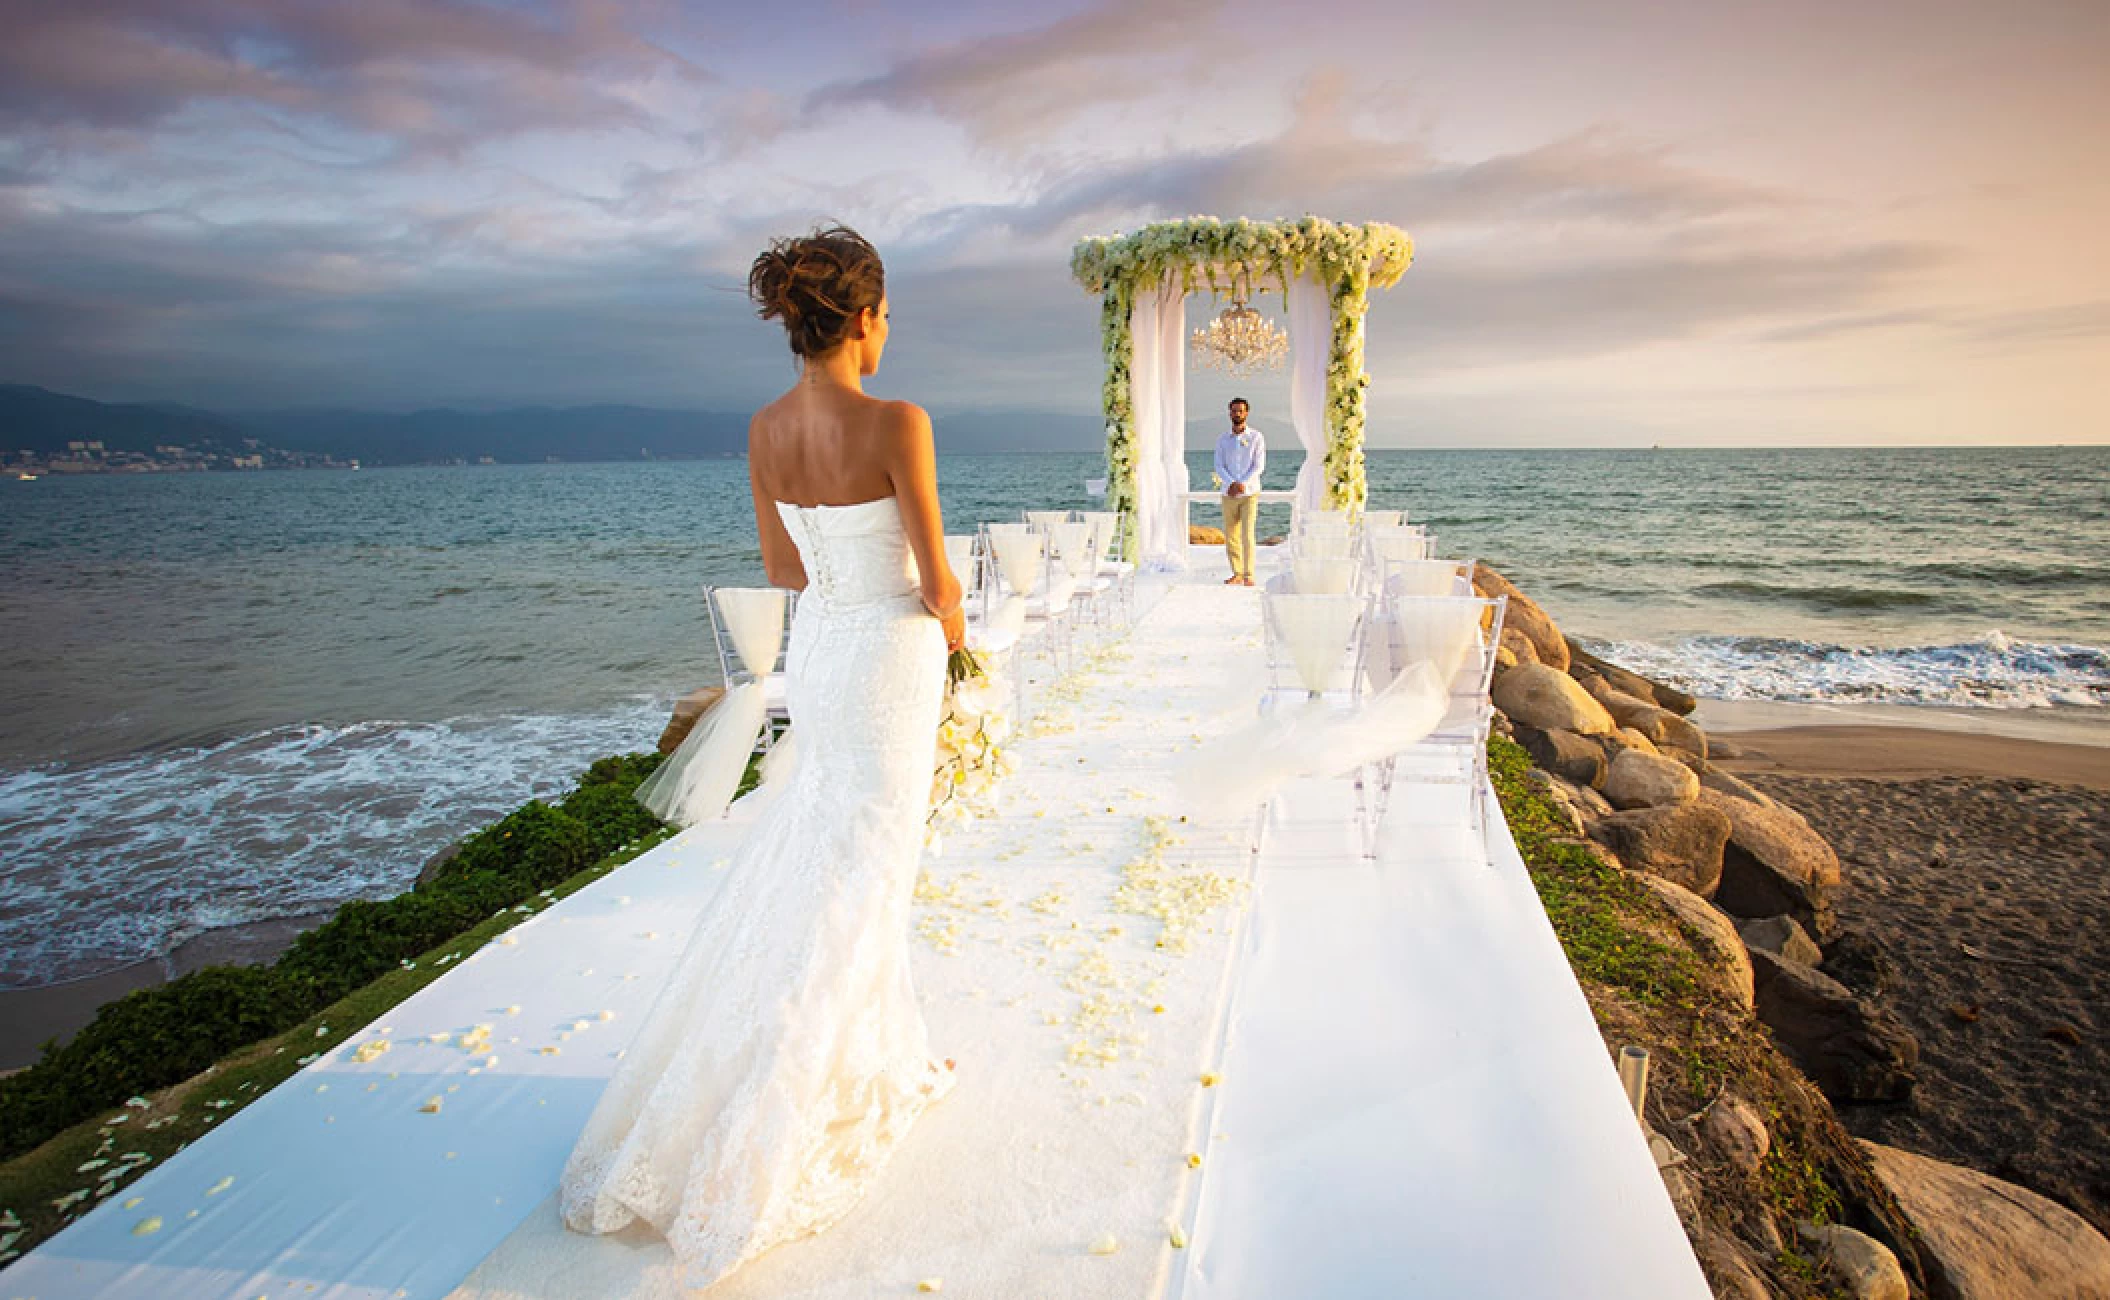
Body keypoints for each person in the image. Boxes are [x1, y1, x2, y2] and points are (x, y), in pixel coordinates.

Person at [559, 224, 963, 1290]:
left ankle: (862, 1055)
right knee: (867, 863)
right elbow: (936, 580)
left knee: (825, 847)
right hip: (889, 656)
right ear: (865, 317)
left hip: (824, 650)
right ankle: (791, 1101)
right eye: (887, 315)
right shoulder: (899, 420)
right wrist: (966, 650)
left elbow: (782, 564)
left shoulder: (764, 427)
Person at [1214, 397, 1265, 586]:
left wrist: (1242, 483)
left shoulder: (1256, 437)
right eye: (1234, 410)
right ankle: (1236, 572)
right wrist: (1231, 484)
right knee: (1231, 535)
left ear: (1246, 413)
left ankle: (1248, 574)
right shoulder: (1222, 440)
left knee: (1247, 534)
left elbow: (1258, 466)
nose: (1237, 414)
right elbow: (1219, 465)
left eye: (1240, 411)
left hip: (1249, 492)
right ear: (1229, 413)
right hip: (1229, 493)